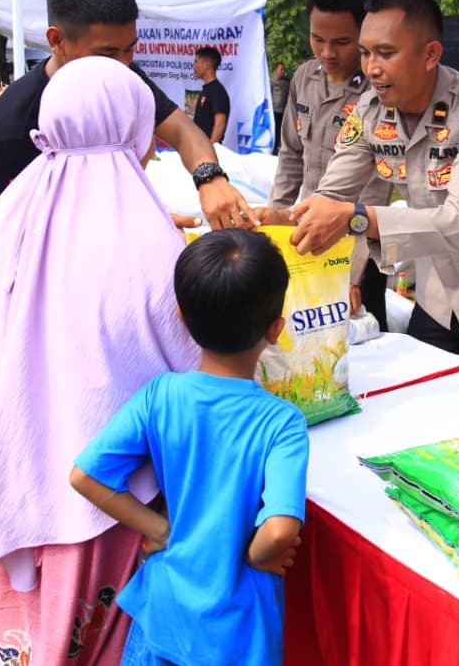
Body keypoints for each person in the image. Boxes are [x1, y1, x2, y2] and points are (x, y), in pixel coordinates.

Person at [0, 57, 201, 665]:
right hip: (110, 506)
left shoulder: (5, 217)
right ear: (133, 122)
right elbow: (188, 363)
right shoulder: (146, 239)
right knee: (97, 642)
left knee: (32, 639)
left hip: (18, 480)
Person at [290, 0, 459, 384]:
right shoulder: (368, 110)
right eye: (365, 52)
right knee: (424, 404)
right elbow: (333, 196)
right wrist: (290, 225)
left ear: (430, 54)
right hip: (437, 292)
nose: (372, 68)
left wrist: (356, 218)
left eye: (386, 53)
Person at [70, 228, 308, 666]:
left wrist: (158, 529)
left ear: (180, 317)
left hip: (162, 614)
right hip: (237, 636)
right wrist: (255, 555)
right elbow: (279, 531)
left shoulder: (159, 395)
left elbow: (85, 475)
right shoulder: (282, 422)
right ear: (275, 329)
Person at [0, 0, 252, 229]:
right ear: (57, 41)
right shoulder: (12, 127)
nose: (122, 64)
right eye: (106, 54)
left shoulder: (125, 78)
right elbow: (3, 236)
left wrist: (209, 177)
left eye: (130, 49)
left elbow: (181, 129)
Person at [262, 0, 393, 331]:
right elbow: (290, 155)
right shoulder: (304, 78)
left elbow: (375, 189)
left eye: (341, 42)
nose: (327, 52)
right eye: (317, 39)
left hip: (358, 251)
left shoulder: (379, 91)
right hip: (307, 234)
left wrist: (351, 275)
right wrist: (275, 227)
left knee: (363, 339)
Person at [191, 45, 231, 144]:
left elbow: (220, 123)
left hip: (208, 151)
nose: (194, 66)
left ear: (206, 64)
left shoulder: (217, 91)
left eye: (196, 62)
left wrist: (211, 149)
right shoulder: (206, 90)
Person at [270, 61, 288, 154]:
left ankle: (277, 148)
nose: (283, 71)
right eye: (281, 69)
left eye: (284, 70)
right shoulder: (271, 81)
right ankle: (272, 149)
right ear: (276, 70)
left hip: (283, 111)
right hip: (273, 110)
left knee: (280, 131)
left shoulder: (286, 82)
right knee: (274, 130)